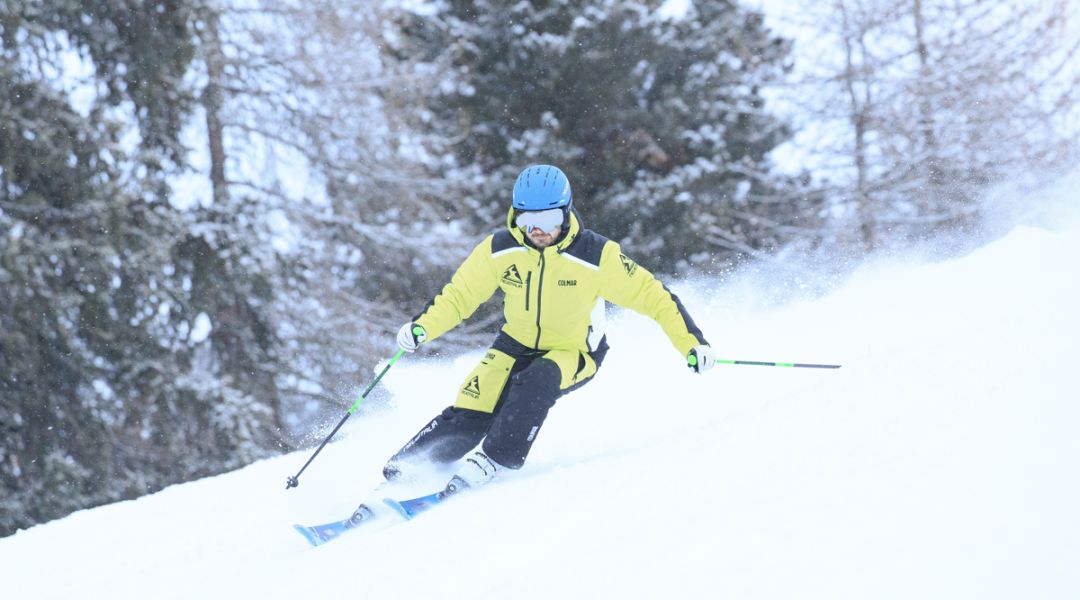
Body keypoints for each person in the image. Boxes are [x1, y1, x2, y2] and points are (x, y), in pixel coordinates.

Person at [382, 164, 716, 498]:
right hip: (515, 344)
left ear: (566, 214)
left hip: (574, 351)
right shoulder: (499, 250)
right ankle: (410, 468)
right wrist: (422, 328)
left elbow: (655, 297)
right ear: (516, 217)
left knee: (537, 380)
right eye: (529, 222)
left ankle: (494, 459)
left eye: (550, 221)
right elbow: (459, 297)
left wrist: (692, 344)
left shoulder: (597, 255)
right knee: (475, 399)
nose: (539, 232)